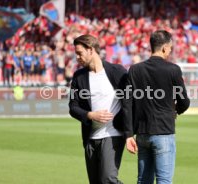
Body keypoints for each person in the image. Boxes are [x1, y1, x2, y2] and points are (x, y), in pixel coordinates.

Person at [124, 30, 190, 184]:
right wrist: (175, 111)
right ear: (165, 48)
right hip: (163, 131)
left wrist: (128, 135)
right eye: (171, 48)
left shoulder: (134, 70)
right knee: (164, 180)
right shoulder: (173, 69)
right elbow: (184, 102)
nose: (171, 51)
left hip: (142, 133)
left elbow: (126, 103)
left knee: (143, 180)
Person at [69, 34, 127, 184]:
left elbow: (131, 101)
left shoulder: (117, 71)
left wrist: (130, 133)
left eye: (79, 53)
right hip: (90, 138)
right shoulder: (79, 77)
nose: (77, 57)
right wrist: (90, 115)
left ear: (91, 50)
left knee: (108, 179)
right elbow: (73, 107)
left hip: (113, 134)